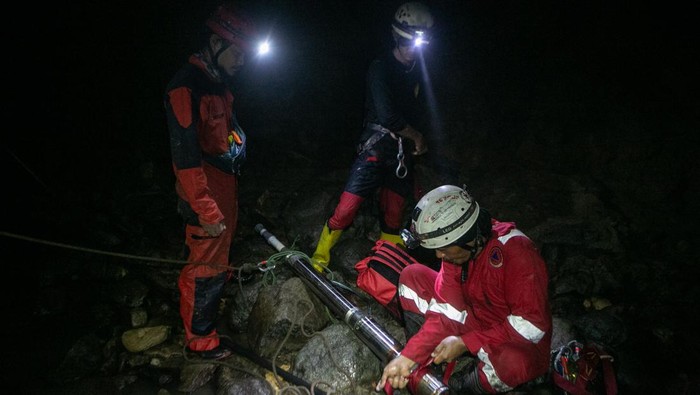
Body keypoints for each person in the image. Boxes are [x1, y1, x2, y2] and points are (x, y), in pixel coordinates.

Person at [377, 185, 552, 394]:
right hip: (475, 319)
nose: (439, 256)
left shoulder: (517, 253)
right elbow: (446, 309)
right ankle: (429, 360)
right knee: (412, 276)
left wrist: (465, 342)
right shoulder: (459, 253)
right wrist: (408, 357)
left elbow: (532, 324)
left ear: (467, 238)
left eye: (443, 249)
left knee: (512, 363)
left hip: (512, 338)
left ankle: (465, 387)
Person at [164, 2, 265, 360]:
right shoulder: (185, 87)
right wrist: (205, 209)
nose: (242, 61)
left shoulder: (219, 84)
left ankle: (205, 322)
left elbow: (223, 134)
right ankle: (199, 342)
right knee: (204, 268)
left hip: (224, 189)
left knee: (215, 264)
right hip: (202, 195)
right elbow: (186, 159)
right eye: (238, 52)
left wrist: (236, 145)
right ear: (215, 42)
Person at [309, 2, 434, 273]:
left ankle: (384, 269)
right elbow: (388, 115)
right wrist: (416, 136)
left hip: (400, 152)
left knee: (394, 214)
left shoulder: (415, 72)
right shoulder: (381, 68)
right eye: (414, 41)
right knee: (346, 208)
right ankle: (319, 261)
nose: (417, 49)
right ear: (399, 37)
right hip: (375, 147)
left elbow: (417, 110)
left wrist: (417, 140)